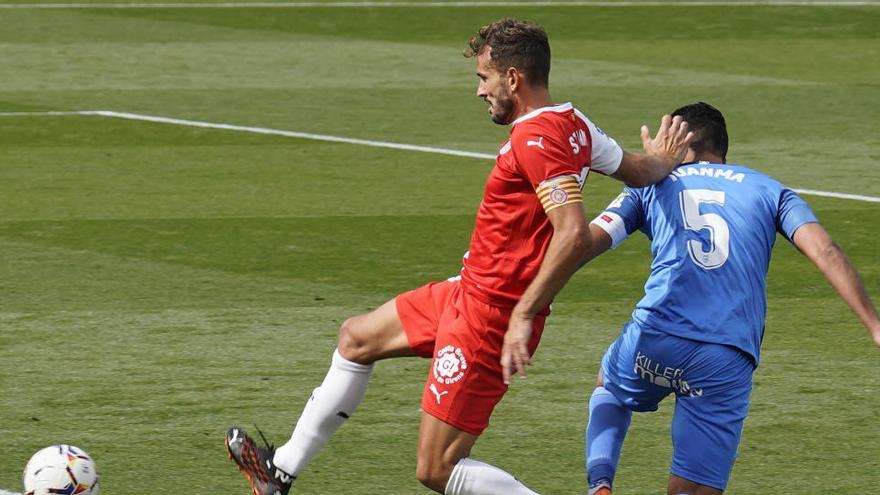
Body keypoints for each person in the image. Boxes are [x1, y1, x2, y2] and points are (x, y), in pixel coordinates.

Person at [224, 18, 692, 495]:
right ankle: (279, 473)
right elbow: (637, 169)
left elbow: (570, 234)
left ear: (513, 78)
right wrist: (665, 161)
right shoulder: (575, 125)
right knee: (355, 338)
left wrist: (523, 314)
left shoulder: (538, 140)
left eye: (484, 77)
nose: (479, 91)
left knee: (437, 467)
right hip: (467, 292)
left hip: (491, 316)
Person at [560, 102, 880, 495]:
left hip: (656, 339)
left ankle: (600, 484)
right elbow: (826, 251)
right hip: (725, 357)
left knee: (610, 385)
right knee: (692, 489)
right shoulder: (770, 189)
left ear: (685, 143)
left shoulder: (650, 186)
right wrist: (875, 325)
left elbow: (583, 245)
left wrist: (527, 295)